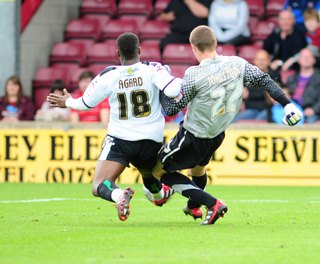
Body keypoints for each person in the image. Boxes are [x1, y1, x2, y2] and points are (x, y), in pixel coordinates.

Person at [146, 25, 302, 225]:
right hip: (217, 134)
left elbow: (170, 109)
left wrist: (161, 83)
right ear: (216, 43)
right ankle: (194, 205)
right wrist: (287, 104)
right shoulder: (237, 63)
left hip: (192, 135)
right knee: (198, 171)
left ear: (193, 47)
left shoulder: (194, 74)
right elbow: (264, 79)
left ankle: (213, 204)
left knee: (158, 171)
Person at [47, 32, 182, 222]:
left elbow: (86, 104)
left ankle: (119, 196)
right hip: (151, 140)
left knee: (100, 184)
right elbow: (174, 90)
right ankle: (159, 197)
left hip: (121, 140)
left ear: (118, 53)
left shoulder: (108, 75)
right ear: (140, 51)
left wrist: (68, 102)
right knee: (147, 173)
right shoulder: (152, 69)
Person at [234, 49, 281, 122]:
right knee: (235, 121)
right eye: (258, 59)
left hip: (267, 110)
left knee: (258, 123)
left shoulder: (274, 75)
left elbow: (268, 93)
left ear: (269, 61)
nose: (261, 62)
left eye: (263, 60)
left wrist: (249, 93)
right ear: (254, 61)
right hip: (251, 109)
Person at [286, 48, 320, 123]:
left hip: (310, 111)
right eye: (303, 57)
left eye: (309, 57)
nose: (306, 59)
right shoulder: (291, 78)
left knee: (310, 122)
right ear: (299, 60)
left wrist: (314, 109)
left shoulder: (318, 77)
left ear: (314, 60)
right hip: (293, 111)